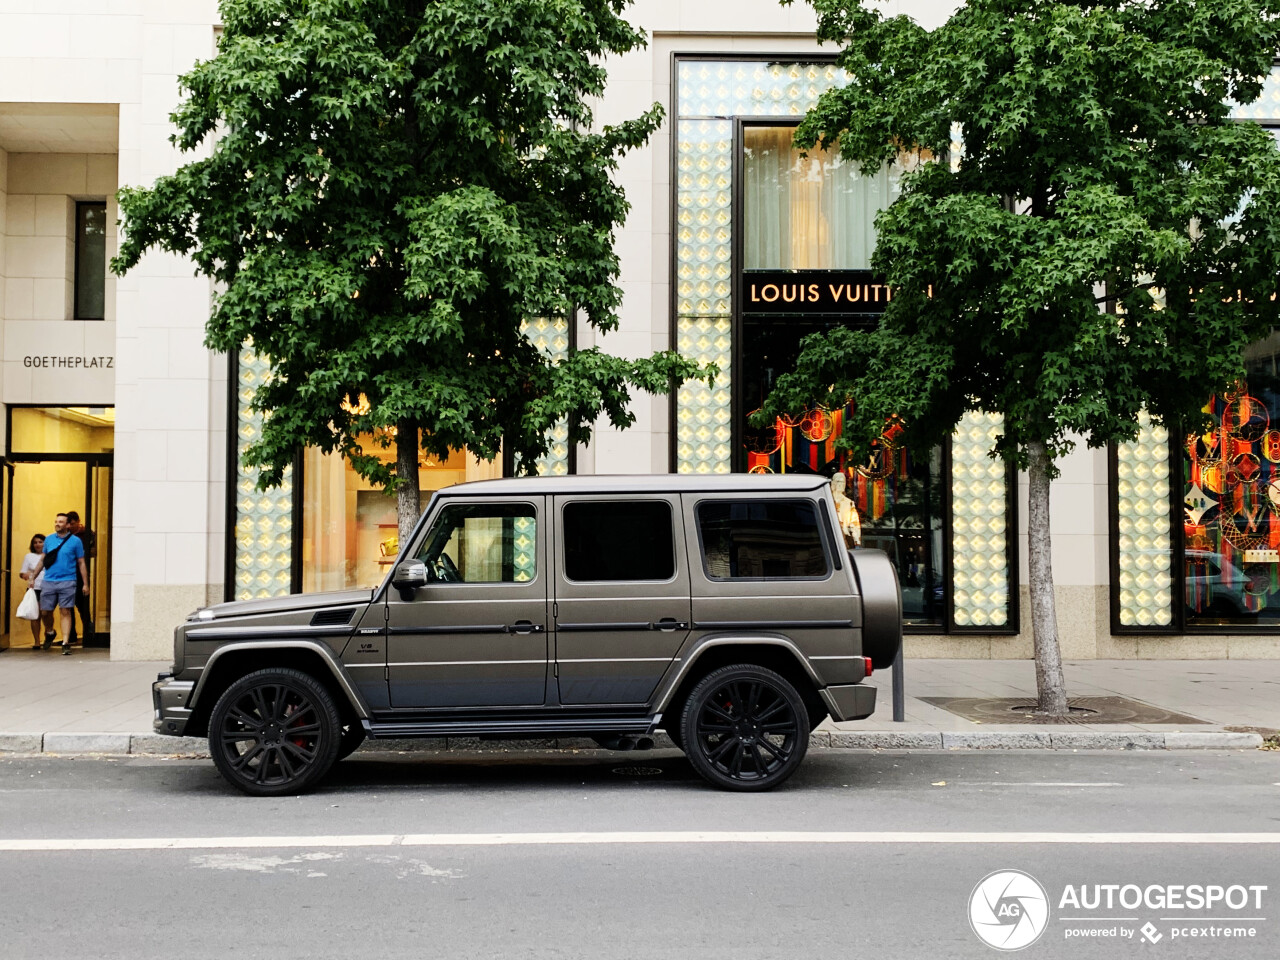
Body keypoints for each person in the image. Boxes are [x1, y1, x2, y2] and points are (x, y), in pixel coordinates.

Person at [28, 513, 88, 655]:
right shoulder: (48, 540)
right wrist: (33, 577)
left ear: (67, 525)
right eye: (56, 521)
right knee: (45, 611)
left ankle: (65, 642)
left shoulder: (75, 541)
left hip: (68, 580)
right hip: (49, 581)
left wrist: (85, 583)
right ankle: (50, 631)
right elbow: (43, 560)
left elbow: (81, 562)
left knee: (65, 611)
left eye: (61, 522)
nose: (57, 524)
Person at [65, 510, 96, 646]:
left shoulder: (88, 534)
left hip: (80, 574)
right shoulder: (64, 536)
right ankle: (71, 636)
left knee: (83, 607)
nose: (70, 527)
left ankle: (89, 635)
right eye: (68, 524)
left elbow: (95, 551)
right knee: (67, 606)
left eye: (72, 524)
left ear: (78, 521)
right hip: (67, 574)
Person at [18, 533, 51, 649]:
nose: (37, 544)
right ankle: (37, 641)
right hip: (34, 588)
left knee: (45, 613)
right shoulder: (29, 556)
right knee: (35, 615)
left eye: (40, 542)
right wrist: (26, 575)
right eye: (35, 542)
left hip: (48, 587)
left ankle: (49, 633)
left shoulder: (50, 555)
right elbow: (22, 572)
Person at [831, 472, 862, 548]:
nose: (841, 484)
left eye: (843, 482)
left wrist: (857, 542)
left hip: (843, 539)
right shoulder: (826, 500)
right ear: (833, 482)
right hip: (828, 536)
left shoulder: (849, 503)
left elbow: (854, 523)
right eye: (838, 481)